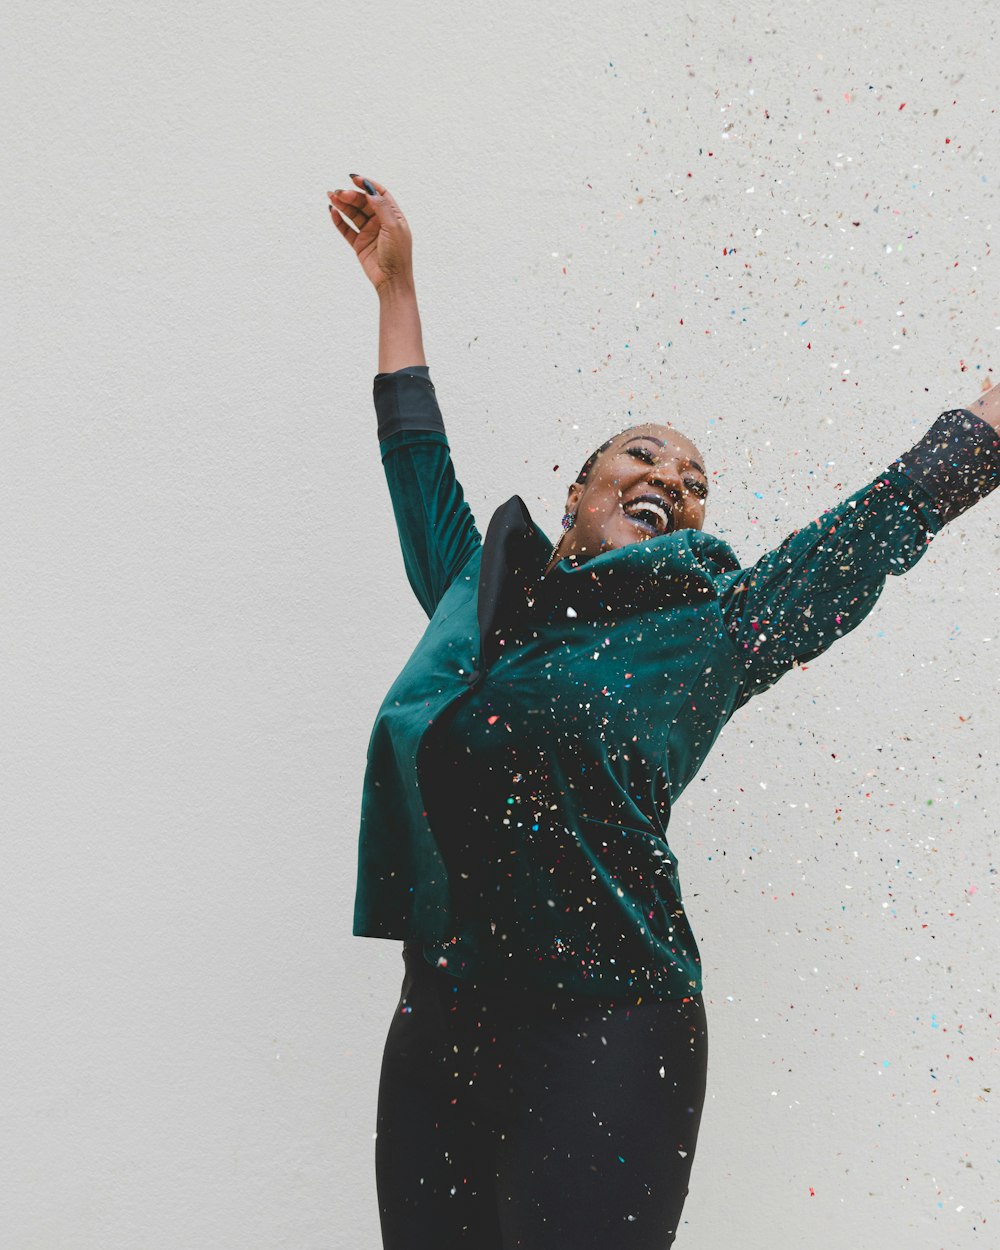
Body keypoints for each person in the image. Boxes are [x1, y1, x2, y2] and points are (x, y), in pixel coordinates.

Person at [328, 173, 1000, 1249]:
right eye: (643, 453)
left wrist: (987, 423)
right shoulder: (478, 596)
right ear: (578, 491)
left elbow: (860, 538)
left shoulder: (710, 631)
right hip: (441, 1020)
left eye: (694, 480)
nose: (673, 479)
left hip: (608, 1031)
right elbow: (416, 463)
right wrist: (395, 286)